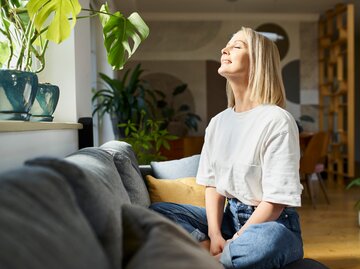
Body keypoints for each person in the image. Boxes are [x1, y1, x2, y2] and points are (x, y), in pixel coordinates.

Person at [150, 26, 303, 269]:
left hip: (270, 222)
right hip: (228, 218)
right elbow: (213, 185)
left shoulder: (278, 120)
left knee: (270, 240)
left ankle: (206, 260)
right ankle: (213, 255)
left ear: (258, 62)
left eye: (237, 46)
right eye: (227, 45)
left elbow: (275, 202)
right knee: (158, 211)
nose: (224, 50)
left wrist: (239, 239)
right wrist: (215, 235)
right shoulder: (218, 122)